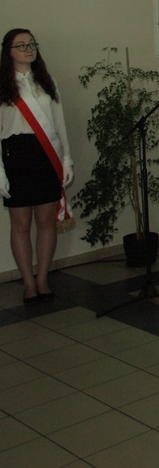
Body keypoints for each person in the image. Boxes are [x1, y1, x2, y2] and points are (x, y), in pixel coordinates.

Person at [0, 29, 73, 304]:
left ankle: (42, 279)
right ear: (8, 51)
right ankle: (28, 283)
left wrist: (66, 158)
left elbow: (59, 122)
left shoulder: (47, 82)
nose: (28, 49)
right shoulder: (2, 85)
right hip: (15, 156)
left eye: (31, 44)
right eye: (21, 45)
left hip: (46, 154)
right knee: (20, 223)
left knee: (46, 222)